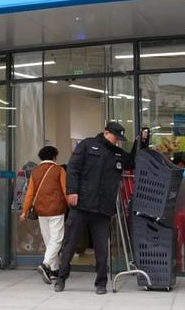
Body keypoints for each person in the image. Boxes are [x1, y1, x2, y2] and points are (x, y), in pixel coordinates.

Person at [55, 122, 135, 295]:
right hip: (82, 205)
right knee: (69, 244)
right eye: (115, 137)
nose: (117, 141)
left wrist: (142, 140)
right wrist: (72, 191)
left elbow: (132, 161)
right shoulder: (87, 145)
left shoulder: (117, 153)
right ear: (106, 133)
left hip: (103, 208)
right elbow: (73, 168)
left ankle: (101, 283)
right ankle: (61, 278)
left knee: (102, 249)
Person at [20, 146, 67, 284]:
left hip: (41, 211)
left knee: (49, 241)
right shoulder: (59, 170)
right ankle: (46, 264)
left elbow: (30, 194)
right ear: (54, 157)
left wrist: (25, 211)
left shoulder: (35, 172)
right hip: (56, 210)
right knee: (57, 239)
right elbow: (65, 190)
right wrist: (72, 206)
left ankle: (54, 271)